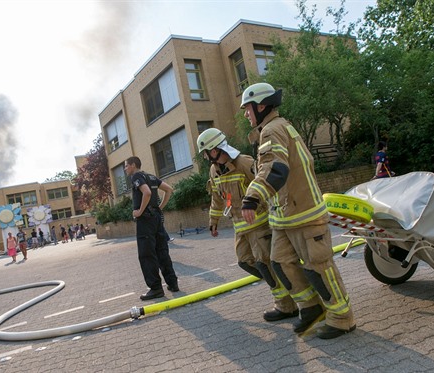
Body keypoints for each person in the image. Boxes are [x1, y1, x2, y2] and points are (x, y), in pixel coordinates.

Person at [240, 82, 355, 339]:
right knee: (280, 264)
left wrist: (251, 198)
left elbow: (274, 168)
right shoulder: (275, 128)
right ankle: (310, 308)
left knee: (319, 266)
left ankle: (342, 318)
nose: (246, 114)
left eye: (247, 109)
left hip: (304, 215)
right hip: (284, 218)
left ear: (261, 106)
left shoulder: (272, 130)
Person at [197, 128, 298, 322]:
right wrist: (213, 221)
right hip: (240, 228)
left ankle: (286, 306)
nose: (205, 157)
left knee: (265, 264)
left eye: (206, 152)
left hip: (259, 225)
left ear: (215, 148)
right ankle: (287, 286)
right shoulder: (214, 170)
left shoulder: (245, 163)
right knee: (245, 261)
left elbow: (266, 186)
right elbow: (217, 198)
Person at [124, 156, 179, 300]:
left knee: (147, 254)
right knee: (162, 251)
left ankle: (155, 289)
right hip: (156, 219)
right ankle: (172, 283)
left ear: (133, 165)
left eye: (126, 166)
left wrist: (139, 211)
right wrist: (160, 208)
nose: (125, 169)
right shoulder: (151, 176)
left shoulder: (137, 176)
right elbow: (169, 190)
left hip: (146, 221)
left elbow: (147, 192)